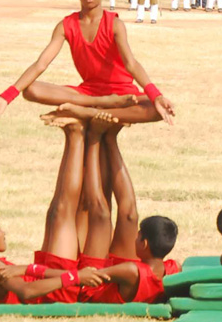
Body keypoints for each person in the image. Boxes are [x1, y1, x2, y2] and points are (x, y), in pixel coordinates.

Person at [0, 0, 175, 128]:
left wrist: (156, 95)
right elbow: (40, 64)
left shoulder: (115, 24)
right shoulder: (66, 26)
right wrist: (5, 98)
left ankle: (87, 113)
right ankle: (96, 105)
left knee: (157, 109)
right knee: (31, 90)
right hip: (87, 93)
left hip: (123, 93)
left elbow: (131, 64)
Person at [0, 116, 110, 305]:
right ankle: (76, 136)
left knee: (57, 211)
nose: (3, 232)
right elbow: (26, 291)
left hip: (49, 285)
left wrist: (27, 269)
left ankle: (73, 137)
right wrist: (75, 278)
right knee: (63, 211)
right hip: (54, 295)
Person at [76, 118, 182, 303]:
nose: (136, 237)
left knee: (100, 214)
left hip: (91, 289)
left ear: (145, 243)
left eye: (139, 236)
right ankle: (110, 139)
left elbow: (88, 277)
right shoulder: (173, 268)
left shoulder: (131, 270)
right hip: (127, 274)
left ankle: (94, 139)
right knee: (130, 214)